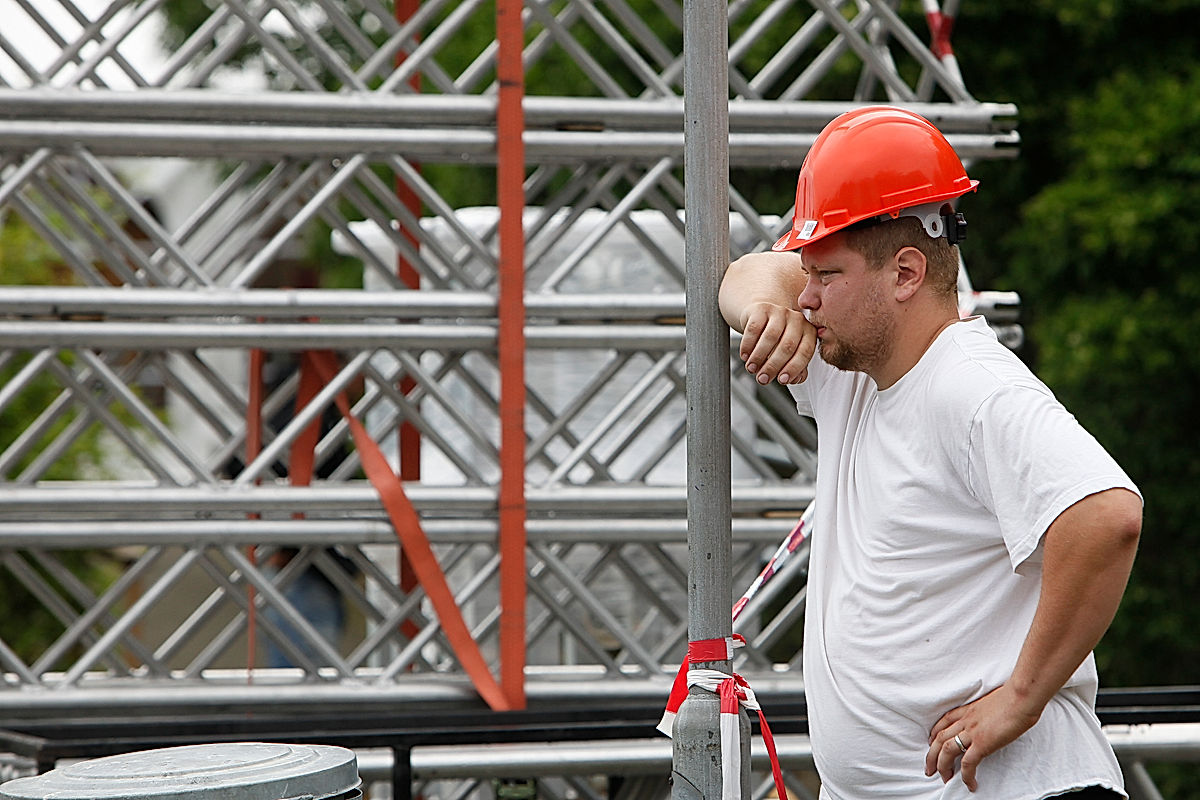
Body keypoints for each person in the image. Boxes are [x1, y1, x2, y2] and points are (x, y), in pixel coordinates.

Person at [719, 106, 1141, 799]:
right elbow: (743, 275)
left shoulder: (971, 384)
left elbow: (1106, 515)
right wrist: (768, 307)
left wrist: (1021, 698)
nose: (809, 298)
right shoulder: (859, 371)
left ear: (906, 273)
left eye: (824, 274)